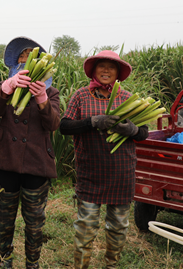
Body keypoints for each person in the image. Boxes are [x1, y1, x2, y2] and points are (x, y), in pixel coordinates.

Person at [59, 50, 149, 269]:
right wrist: (92, 121)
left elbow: (144, 132)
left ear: (118, 72)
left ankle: (112, 266)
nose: (106, 70)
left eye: (111, 66)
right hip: (90, 173)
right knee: (86, 227)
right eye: (102, 66)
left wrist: (132, 129)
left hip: (121, 173)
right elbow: (64, 126)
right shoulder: (81, 96)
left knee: (118, 227)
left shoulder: (127, 99)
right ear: (94, 71)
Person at [0, 37, 60, 269]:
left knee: (35, 222)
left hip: (36, 164)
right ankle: (5, 260)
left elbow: (53, 124)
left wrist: (42, 100)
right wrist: (5, 90)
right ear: (15, 62)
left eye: (31, 56)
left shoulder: (52, 93)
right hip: (5, 161)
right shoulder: (5, 86)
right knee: (4, 220)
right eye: (22, 55)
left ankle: (32, 263)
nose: (26, 59)